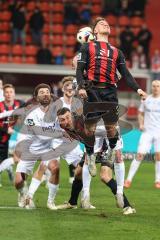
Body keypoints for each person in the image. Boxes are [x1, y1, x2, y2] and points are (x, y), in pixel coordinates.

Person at [76, 17, 146, 203]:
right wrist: (81, 87)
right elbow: (79, 69)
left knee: (112, 129)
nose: (106, 24)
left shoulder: (117, 51)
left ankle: (108, 151)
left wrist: (138, 89)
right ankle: (90, 155)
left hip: (109, 91)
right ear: (95, 31)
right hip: (91, 89)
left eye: (107, 23)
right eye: (101, 23)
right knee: (89, 130)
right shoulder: (87, 48)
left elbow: (127, 75)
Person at [57, 108, 136, 214]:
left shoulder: (83, 123)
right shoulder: (64, 128)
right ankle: (72, 203)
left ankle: (127, 206)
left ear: (71, 115)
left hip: (105, 143)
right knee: (78, 172)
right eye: (62, 119)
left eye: (67, 117)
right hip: (92, 144)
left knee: (104, 176)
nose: (66, 121)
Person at [124, 80, 160, 189]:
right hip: (147, 132)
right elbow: (140, 113)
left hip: (159, 132)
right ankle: (128, 180)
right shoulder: (146, 99)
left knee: (159, 156)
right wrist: (141, 124)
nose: (155, 88)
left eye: (158, 86)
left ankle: (158, 180)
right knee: (139, 155)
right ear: (151, 87)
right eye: (154, 86)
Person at [0, 84, 24, 185]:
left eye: (11, 92)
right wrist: (6, 129)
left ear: (14, 94)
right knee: (2, 158)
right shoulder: (0, 105)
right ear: (3, 94)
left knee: (17, 159)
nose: (9, 94)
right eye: (7, 92)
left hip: (17, 135)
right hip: (2, 135)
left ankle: (10, 170)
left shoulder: (20, 104)